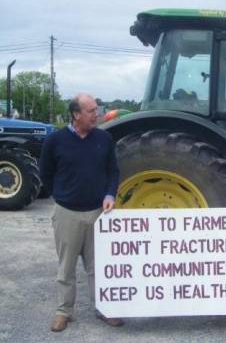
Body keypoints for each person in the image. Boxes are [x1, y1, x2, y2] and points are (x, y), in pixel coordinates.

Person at [40, 93, 122, 332]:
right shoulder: (55, 141)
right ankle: (64, 311)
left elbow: (113, 171)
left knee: (98, 266)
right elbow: (46, 173)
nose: (96, 114)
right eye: (90, 111)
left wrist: (109, 195)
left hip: (98, 212)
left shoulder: (104, 139)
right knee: (66, 267)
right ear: (76, 114)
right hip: (67, 213)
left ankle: (103, 307)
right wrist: (59, 195)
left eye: (96, 109)